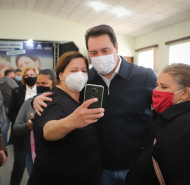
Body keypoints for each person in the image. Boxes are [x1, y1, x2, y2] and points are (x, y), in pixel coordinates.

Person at [33, 24, 157, 185]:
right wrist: (35, 100)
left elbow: (165, 107)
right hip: (100, 169)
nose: (100, 56)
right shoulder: (86, 79)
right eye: (94, 52)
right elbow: (63, 95)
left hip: (136, 166)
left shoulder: (144, 76)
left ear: (116, 47)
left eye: (105, 50)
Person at [27, 51, 104, 185]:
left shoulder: (80, 98)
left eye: (84, 70)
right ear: (61, 75)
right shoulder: (51, 100)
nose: (79, 74)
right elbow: (48, 130)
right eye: (73, 70)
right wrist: (72, 121)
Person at [125, 63, 190, 185]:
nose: (156, 91)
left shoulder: (185, 127)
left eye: (164, 87)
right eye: (157, 85)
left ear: (185, 93)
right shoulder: (165, 117)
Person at [12, 69, 55, 175]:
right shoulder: (29, 102)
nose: (40, 87)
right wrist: (28, 126)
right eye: (38, 83)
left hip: (56, 156)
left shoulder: (61, 102)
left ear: (54, 83)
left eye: (44, 84)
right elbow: (16, 127)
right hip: (32, 154)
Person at [8, 66, 45, 185]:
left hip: (39, 135)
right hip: (21, 134)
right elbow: (11, 112)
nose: (30, 77)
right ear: (23, 77)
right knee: (19, 165)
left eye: (33, 74)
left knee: (37, 165)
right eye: (27, 75)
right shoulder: (17, 91)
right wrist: (23, 124)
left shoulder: (42, 90)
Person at [0, 69, 19, 149]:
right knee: (15, 125)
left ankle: (5, 145)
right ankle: (13, 143)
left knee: (4, 127)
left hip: (1, 106)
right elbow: (18, 90)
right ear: (11, 74)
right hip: (11, 106)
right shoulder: (10, 81)